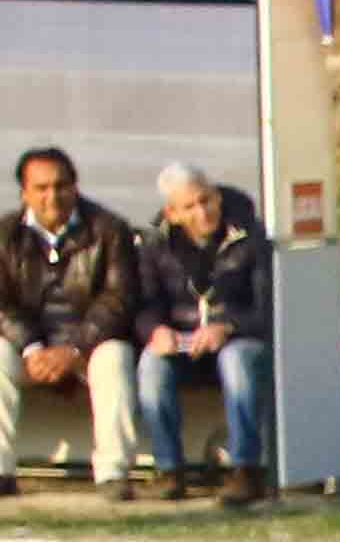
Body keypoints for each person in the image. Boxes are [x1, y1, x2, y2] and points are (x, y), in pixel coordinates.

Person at [4, 145, 139, 496]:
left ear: (75, 186)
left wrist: (73, 348)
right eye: (42, 188)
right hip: (30, 350)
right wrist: (32, 348)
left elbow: (118, 300)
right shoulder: (5, 236)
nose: (53, 196)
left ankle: (113, 473)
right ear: (24, 193)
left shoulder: (109, 230)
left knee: (115, 357)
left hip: (88, 345)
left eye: (62, 185)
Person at [134, 159, 269, 503]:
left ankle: (245, 470)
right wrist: (156, 330)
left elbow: (268, 309)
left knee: (237, 361)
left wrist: (227, 326)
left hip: (239, 338)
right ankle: (168, 469)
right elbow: (144, 306)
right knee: (152, 363)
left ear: (218, 197)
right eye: (189, 207)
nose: (202, 211)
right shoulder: (155, 244)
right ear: (172, 213)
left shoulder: (250, 238)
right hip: (183, 339)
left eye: (206, 200)